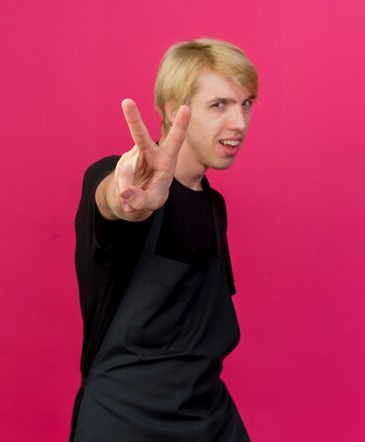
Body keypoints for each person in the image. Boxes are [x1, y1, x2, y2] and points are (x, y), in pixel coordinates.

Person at [70, 38, 258, 441]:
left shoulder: (213, 207)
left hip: (206, 415)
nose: (240, 123)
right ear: (175, 111)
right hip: (125, 422)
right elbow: (111, 200)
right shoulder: (125, 181)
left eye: (246, 103)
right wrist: (124, 203)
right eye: (219, 105)